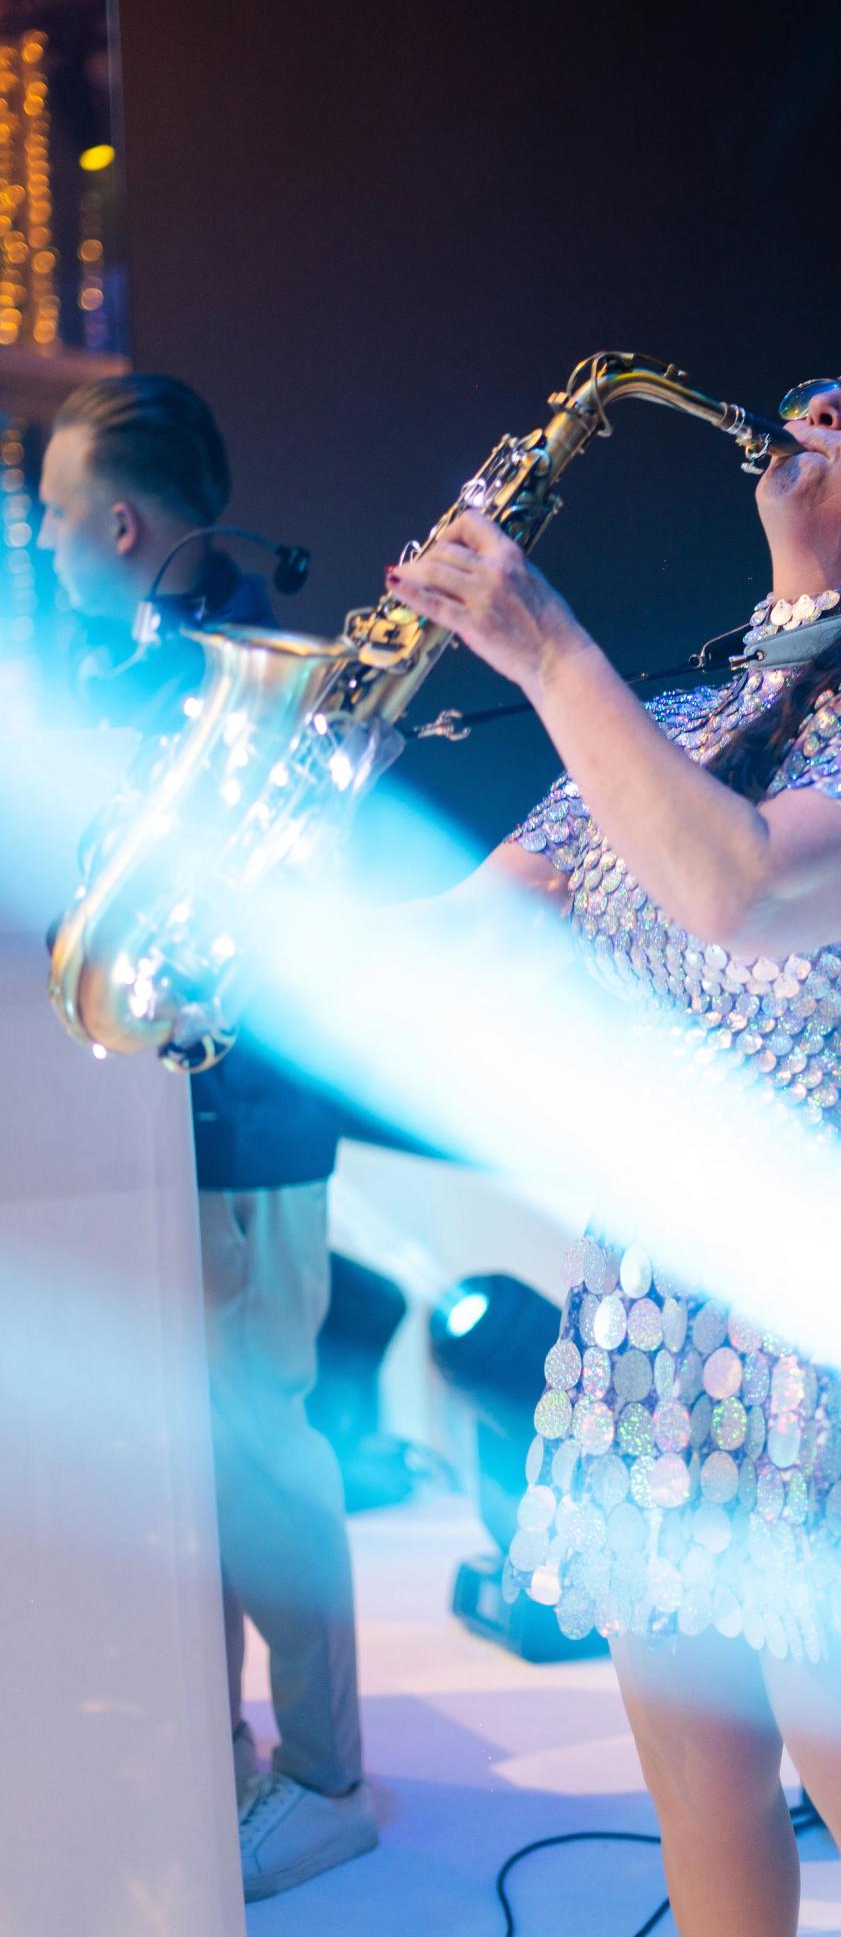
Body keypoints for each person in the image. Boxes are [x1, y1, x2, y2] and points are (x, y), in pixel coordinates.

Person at [387, 346, 841, 1937]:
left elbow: (746, 894)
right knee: (700, 1819)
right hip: (656, 1313)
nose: (826, 408)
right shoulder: (680, 715)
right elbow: (452, 948)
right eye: (826, 384)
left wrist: (544, 648)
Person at [37, 376, 377, 1903]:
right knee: (187, 1454)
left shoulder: (250, 671)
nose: (43, 548)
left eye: (52, 519)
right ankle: (220, 1749)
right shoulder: (121, 666)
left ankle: (322, 1777)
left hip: (237, 1118)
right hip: (143, 1117)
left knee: (254, 1452)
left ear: (119, 522)